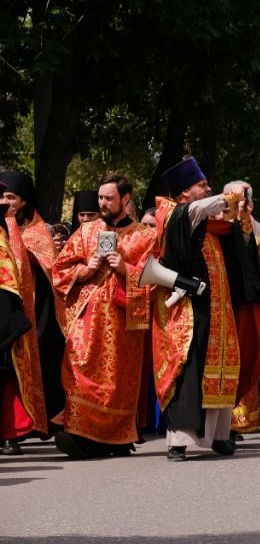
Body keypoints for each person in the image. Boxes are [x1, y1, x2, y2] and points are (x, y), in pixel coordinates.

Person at [151, 161, 260, 461]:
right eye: (202, 185)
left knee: (221, 370)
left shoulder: (212, 226)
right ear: (184, 192)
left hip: (221, 310)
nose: (208, 189)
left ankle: (218, 434)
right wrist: (229, 196)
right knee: (189, 370)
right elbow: (195, 211)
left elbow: (242, 255)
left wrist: (242, 219)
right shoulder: (174, 213)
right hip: (188, 311)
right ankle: (178, 440)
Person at [49, 174, 156, 459]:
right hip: (86, 320)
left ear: (125, 199)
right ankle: (78, 431)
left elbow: (155, 281)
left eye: (109, 198)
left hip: (123, 323)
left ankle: (113, 438)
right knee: (79, 368)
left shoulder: (145, 237)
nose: (103, 203)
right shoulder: (86, 231)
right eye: (100, 198)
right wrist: (86, 268)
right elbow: (59, 271)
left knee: (116, 381)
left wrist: (125, 269)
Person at [1, 169, 65, 434]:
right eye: (1, 196)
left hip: (36, 308)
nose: (5, 201)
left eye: (10, 196)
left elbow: (52, 268)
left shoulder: (39, 232)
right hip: (8, 304)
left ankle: (39, 420)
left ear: (24, 201)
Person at [0, 176, 47, 455]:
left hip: (10, 314)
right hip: (8, 312)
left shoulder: (8, 235)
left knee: (7, 375)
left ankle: (9, 433)